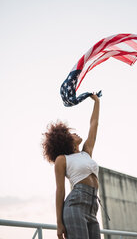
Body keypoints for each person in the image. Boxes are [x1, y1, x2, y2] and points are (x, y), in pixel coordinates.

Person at [42, 94, 100, 239]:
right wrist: (59, 223)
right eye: (71, 134)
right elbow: (60, 191)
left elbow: (94, 124)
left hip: (93, 208)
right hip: (75, 206)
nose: (75, 133)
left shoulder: (86, 152)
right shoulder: (62, 160)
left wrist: (97, 102)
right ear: (65, 140)